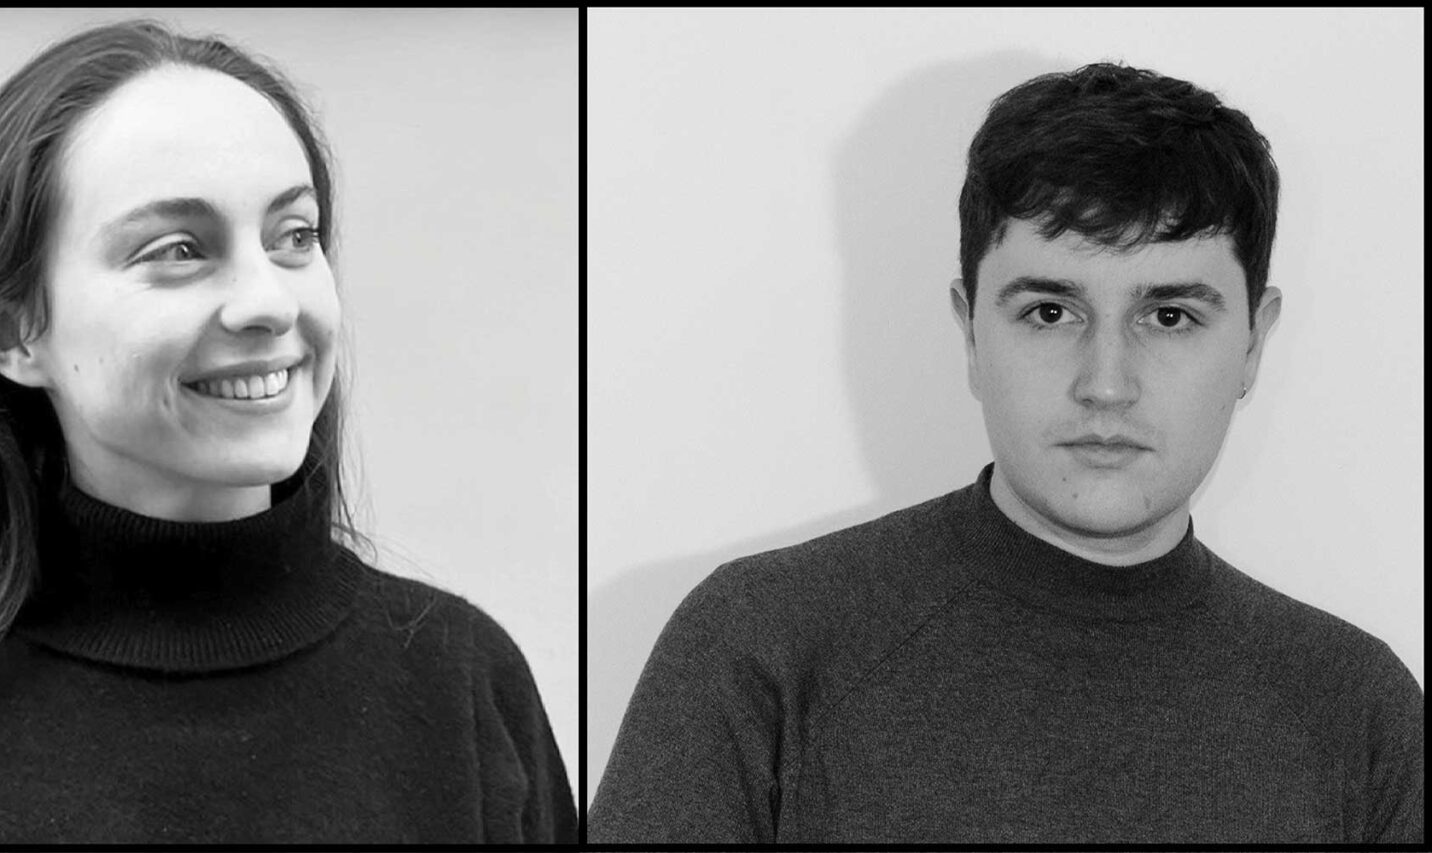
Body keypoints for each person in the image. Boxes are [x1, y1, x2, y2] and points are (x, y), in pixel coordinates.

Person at [0, 19, 577, 844]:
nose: (268, 302)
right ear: (15, 331)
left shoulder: (466, 686)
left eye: (295, 237)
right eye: (179, 249)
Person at [588, 62, 1423, 843]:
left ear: (1252, 344)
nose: (1106, 384)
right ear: (971, 332)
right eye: (1050, 312)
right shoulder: (758, 649)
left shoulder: (1363, 717)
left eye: (1170, 316)